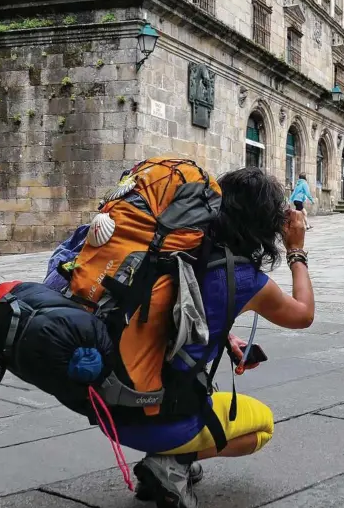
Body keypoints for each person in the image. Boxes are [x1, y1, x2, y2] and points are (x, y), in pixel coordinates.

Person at [115, 167, 314, 508]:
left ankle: (168, 458)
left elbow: (171, 311)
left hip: (109, 410)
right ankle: (171, 462)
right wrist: (296, 250)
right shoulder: (245, 278)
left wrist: (224, 336)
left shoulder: (178, 251)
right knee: (261, 426)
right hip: (152, 420)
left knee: (203, 386)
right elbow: (303, 314)